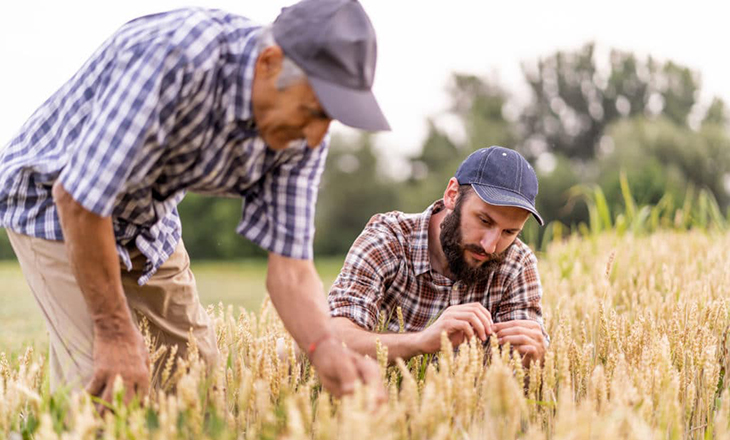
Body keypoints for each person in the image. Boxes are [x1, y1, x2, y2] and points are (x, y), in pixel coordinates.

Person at [0, 0, 388, 405]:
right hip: (54, 202)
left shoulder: (302, 130)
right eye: (312, 112)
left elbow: (290, 268)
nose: (315, 136)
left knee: (196, 385)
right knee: (103, 389)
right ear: (269, 63)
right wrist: (114, 331)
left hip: (147, 216)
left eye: (328, 119)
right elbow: (80, 199)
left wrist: (324, 347)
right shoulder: (175, 59)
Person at [328, 146, 549, 367]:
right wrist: (421, 341)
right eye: (484, 221)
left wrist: (534, 362)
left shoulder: (518, 263)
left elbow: (520, 377)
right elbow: (332, 340)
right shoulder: (387, 241)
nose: (490, 247)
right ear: (452, 195)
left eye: (509, 232)